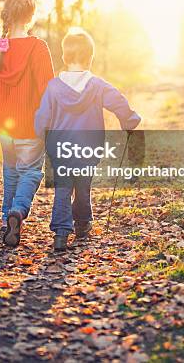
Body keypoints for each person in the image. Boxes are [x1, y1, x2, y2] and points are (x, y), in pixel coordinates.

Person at [35, 29, 141, 252]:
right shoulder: (97, 85)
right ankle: (82, 223)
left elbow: (42, 117)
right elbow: (118, 101)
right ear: (90, 57)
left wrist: (38, 135)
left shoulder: (53, 87)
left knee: (63, 188)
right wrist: (129, 120)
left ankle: (61, 234)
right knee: (83, 185)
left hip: (60, 148)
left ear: (64, 57)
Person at [0, 0, 54, 247]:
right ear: (30, 15)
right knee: (32, 172)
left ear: (8, 14)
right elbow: (47, 89)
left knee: (10, 171)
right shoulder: (37, 47)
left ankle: (7, 220)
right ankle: (18, 210)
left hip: (5, 123)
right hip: (30, 122)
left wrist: (2, 113)